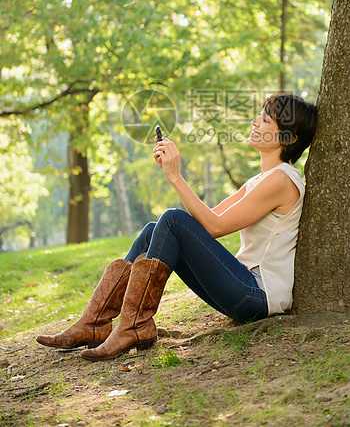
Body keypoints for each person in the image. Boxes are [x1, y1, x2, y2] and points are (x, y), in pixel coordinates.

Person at [36, 93, 317, 362]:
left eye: (266, 120)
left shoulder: (282, 180)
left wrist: (175, 176)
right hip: (244, 288)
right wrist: (172, 171)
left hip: (258, 295)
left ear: (288, 139)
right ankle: (94, 322)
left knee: (171, 219)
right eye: (260, 115)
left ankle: (134, 325)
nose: (255, 121)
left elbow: (215, 227)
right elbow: (204, 221)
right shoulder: (262, 179)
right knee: (153, 229)